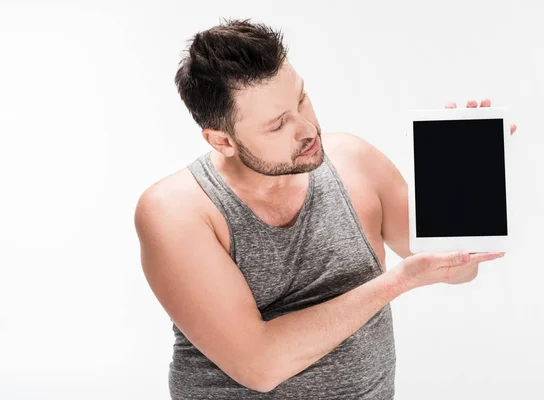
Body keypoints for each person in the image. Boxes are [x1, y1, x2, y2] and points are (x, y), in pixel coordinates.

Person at [133, 18, 517, 399]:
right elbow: (260, 366)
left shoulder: (355, 160)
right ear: (222, 140)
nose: (307, 129)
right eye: (277, 124)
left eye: (300, 99)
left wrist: (466, 186)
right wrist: (397, 281)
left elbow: (455, 268)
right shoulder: (176, 211)